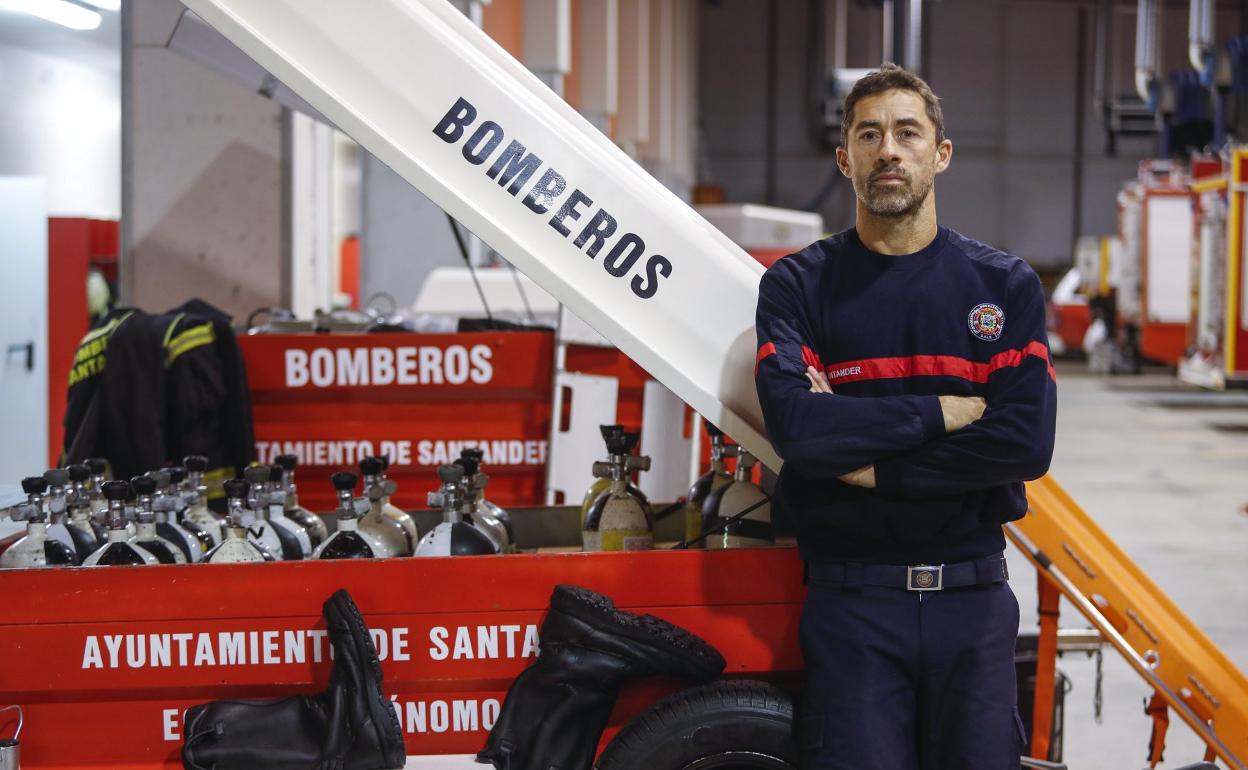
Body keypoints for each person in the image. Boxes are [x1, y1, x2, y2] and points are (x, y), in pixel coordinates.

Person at [754, 63, 1057, 769]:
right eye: (869, 134)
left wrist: (870, 469)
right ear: (845, 159)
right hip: (854, 605)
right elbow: (799, 430)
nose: (888, 149)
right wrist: (944, 411)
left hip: (973, 605)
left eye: (907, 132)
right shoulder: (798, 286)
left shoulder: (1004, 286)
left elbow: (1022, 444)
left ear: (939, 154)